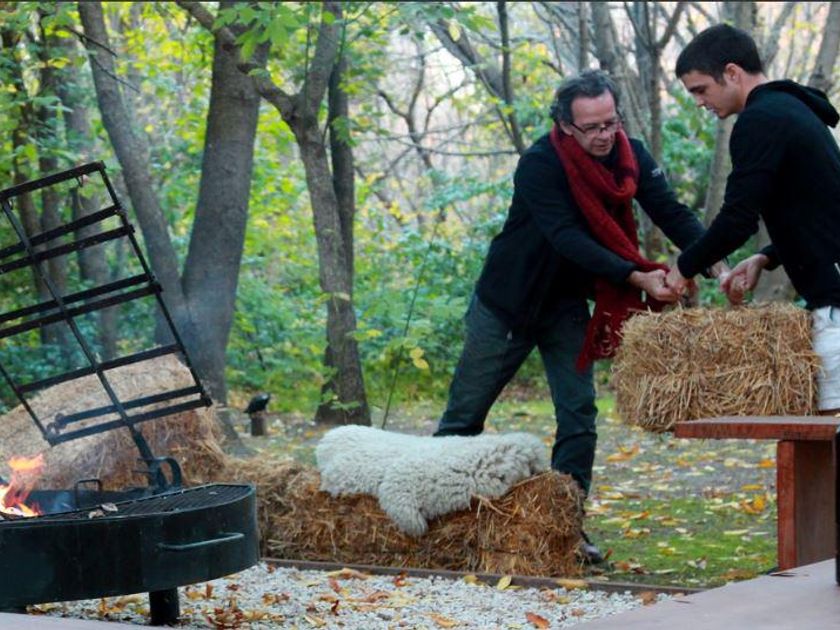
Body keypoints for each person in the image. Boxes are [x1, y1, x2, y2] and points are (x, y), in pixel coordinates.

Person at [434, 70, 718, 563]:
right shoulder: (540, 164)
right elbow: (566, 237)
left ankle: (565, 529)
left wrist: (715, 260)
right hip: (507, 304)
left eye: (611, 122)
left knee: (579, 416)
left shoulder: (630, 157)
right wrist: (636, 275)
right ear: (565, 125)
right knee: (464, 418)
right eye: (592, 127)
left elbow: (670, 211)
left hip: (565, 306)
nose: (605, 135)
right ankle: (437, 525)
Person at [665, 24, 840, 415]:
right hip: (830, 296)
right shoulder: (791, 108)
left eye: (700, 90)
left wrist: (684, 267)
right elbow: (822, 209)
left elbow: (737, 219)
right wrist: (765, 257)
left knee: (827, 431)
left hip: (836, 304)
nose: (699, 102)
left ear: (731, 73)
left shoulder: (760, 120)